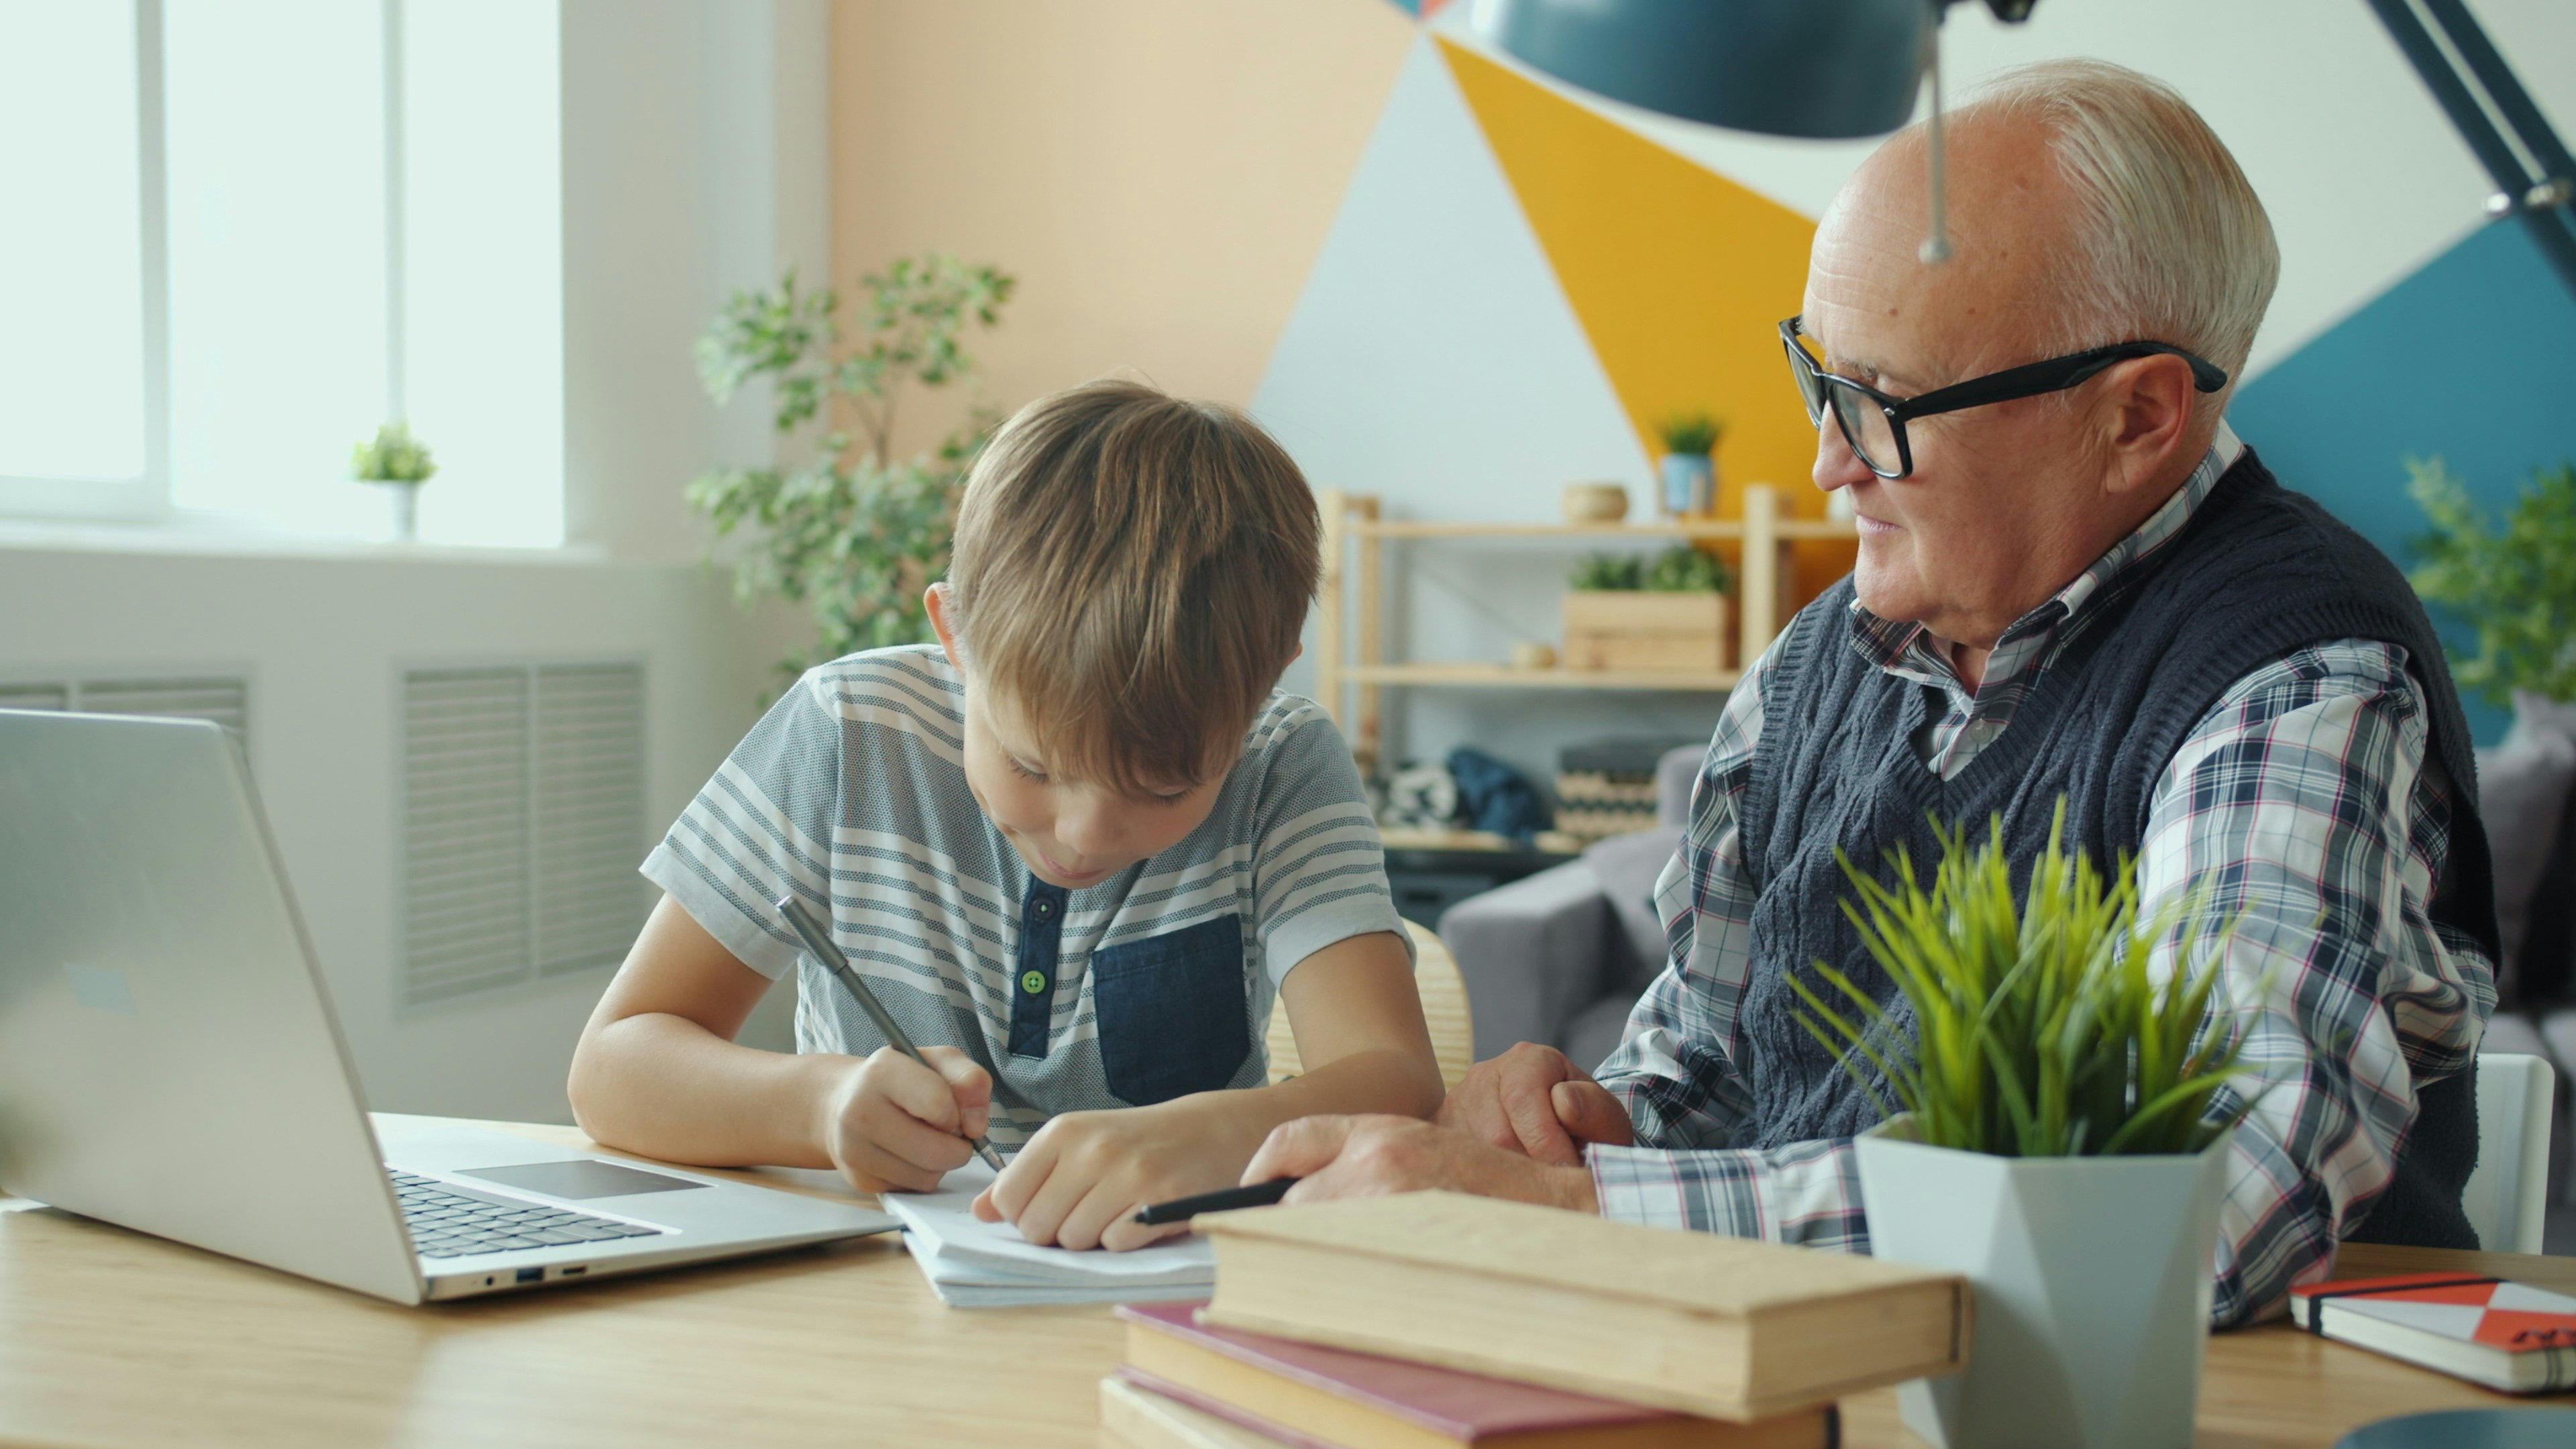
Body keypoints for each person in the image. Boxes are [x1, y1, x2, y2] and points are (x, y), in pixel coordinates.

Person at [1242, 59, 2499, 1328]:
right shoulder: (1813, 668)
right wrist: (1576, 1133)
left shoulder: (2291, 680)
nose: (1828, 458)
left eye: (1887, 404)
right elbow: (1714, 1072)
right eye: (1818, 374)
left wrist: (1579, 1215)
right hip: (1829, 1379)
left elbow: (2219, 1187)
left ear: (2140, 418)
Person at [569, 379, 1442, 1252]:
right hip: (865, 1293)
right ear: (956, 637)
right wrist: (820, 1104)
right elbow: (613, 1068)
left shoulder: (1283, 761)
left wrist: (1221, 1133)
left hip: (1163, 1294)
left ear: (1263, 688)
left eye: (1166, 788)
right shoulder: (845, 732)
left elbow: (1397, 1079)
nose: (1084, 835)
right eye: (1034, 765)